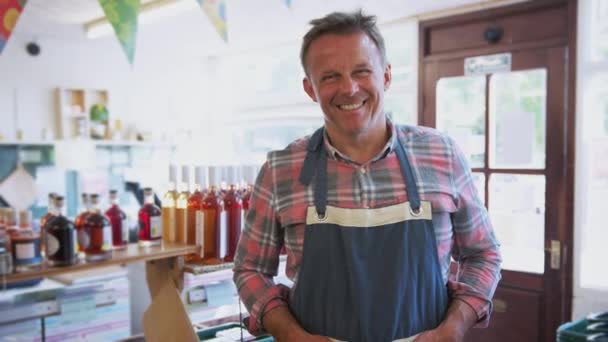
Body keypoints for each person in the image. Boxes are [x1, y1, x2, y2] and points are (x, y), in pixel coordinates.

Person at [233, 10, 501, 342]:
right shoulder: (281, 170)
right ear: (310, 88)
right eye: (330, 76)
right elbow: (250, 270)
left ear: (386, 75)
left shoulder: (441, 155)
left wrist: (455, 326)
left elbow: (483, 254)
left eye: (362, 71)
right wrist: (289, 334)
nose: (349, 88)